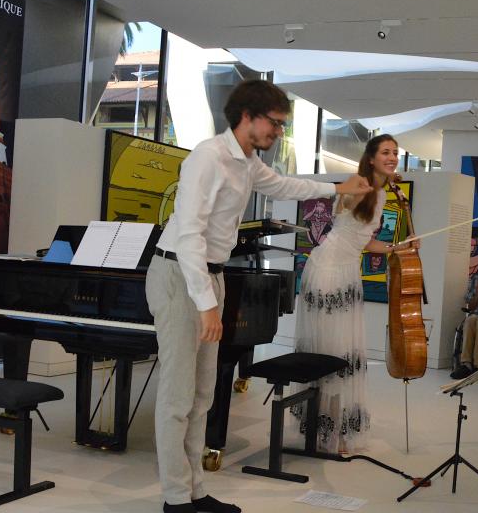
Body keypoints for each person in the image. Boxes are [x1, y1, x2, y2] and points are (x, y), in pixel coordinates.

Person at [145, 80, 372, 513]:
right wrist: (207, 303)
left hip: (210, 276)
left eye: (282, 125)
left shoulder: (246, 161)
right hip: (179, 274)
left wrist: (338, 189)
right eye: (275, 123)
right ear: (247, 115)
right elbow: (189, 235)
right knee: (177, 398)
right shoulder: (207, 158)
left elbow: (284, 187)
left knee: (201, 396)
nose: (278, 133)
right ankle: (175, 499)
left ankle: (193, 490)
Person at [292, 134, 414, 454]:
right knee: (333, 351)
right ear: (371, 158)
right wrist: (352, 192)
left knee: (344, 352)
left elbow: (362, 241)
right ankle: (328, 432)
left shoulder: (384, 195)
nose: (392, 157)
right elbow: (345, 207)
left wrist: (396, 247)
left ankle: (332, 428)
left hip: (347, 271)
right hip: (328, 271)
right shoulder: (358, 183)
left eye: (395, 154)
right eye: (385, 152)